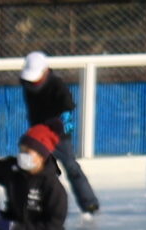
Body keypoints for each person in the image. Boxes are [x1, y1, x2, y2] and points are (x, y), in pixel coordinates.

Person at [17, 52, 101, 215]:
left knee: (71, 166)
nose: (33, 82)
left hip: (58, 134)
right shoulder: (27, 86)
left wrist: (63, 129)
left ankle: (89, 202)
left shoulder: (57, 85)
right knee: (35, 170)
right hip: (38, 135)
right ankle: (35, 206)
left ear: (46, 71)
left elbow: (67, 108)